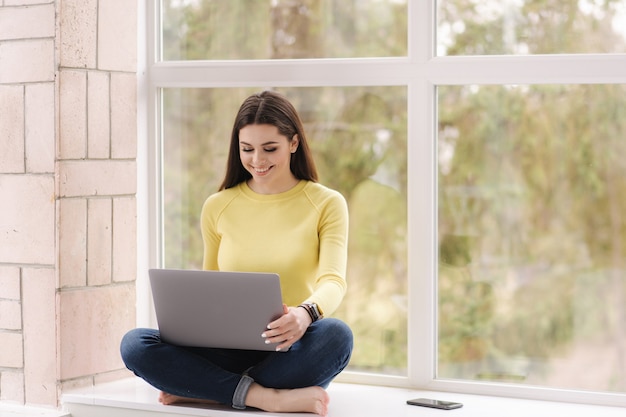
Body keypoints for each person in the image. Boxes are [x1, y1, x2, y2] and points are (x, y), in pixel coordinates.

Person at [120, 90, 353, 416]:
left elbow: (333, 280)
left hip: (289, 347)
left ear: (294, 143)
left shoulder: (326, 203)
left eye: (270, 148)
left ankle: (211, 391)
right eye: (247, 149)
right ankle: (267, 398)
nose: (257, 160)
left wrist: (304, 315)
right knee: (135, 344)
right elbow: (212, 285)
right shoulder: (218, 205)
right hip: (226, 348)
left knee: (337, 336)